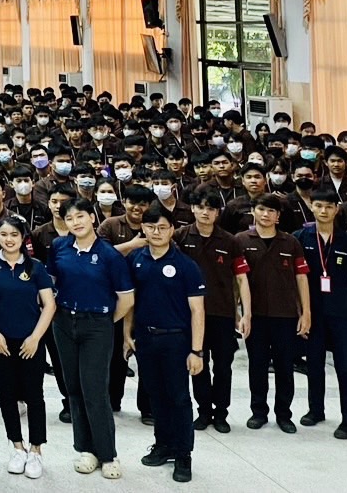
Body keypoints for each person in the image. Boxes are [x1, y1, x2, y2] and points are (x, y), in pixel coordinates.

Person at [47, 198, 133, 479]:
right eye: (70, 219)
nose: (76, 222)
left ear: (92, 218)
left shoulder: (109, 255)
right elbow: (50, 284)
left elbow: (126, 299)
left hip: (97, 325)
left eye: (80, 216)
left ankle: (107, 454)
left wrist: (104, 321)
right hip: (63, 323)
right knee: (73, 387)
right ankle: (85, 449)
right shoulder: (59, 247)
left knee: (95, 390)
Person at [124, 202, 204, 484]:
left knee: (178, 398)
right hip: (146, 339)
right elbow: (130, 300)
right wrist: (127, 334)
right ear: (142, 229)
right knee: (155, 396)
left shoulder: (186, 265)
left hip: (176, 340)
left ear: (172, 230)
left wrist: (196, 351)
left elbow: (197, 310)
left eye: (162, 227)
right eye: (150, 227)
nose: (156, 232)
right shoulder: (136, 259)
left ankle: (183, 454)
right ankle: (163, 444)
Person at [0, 215, 55, 479]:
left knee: (34, 395)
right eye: (4, 234)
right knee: (7, 394)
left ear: (23, 237)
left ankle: (36, 450)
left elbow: (49, 305)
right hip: (1, 342)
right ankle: (17, 447)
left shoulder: (35, 267)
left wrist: (35, 337)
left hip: (30, 342)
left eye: (14, 234)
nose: (9, 239)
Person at [175, 186, 250, 433]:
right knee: (198, 363)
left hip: (222, 312)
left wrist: (244, 313)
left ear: (218, 212)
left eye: (210, 208)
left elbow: (241, 279)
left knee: (223, 366)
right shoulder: (180, 236)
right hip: (191, 314)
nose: (205, 212)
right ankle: (204, 411)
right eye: (200, 207)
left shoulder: (230, 241)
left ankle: (221, 413)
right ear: (192, 209)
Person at [236, 192, 311, 432]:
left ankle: (284, 414)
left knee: (285, 367)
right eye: (261, 209)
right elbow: (237, 280)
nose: (266, 215)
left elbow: (301, 278)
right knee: (257, 365)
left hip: (285, 315)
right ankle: (258, 412)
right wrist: (240, 314)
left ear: (278, 216)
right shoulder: (240, 241)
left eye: (271, 211)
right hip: (256, 315)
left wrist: (306, 313)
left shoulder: (291, 242)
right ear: (253, 212)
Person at [294, 188, 347, 437]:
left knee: (346, 366)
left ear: (336, 209)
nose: (323, 211)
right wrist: (301, 311)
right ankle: (315, 410)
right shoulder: (300, 238)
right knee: (314, 363)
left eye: (329, 206)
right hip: (313, 311)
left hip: (341, 312)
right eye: (319, 206)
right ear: (311, 207)